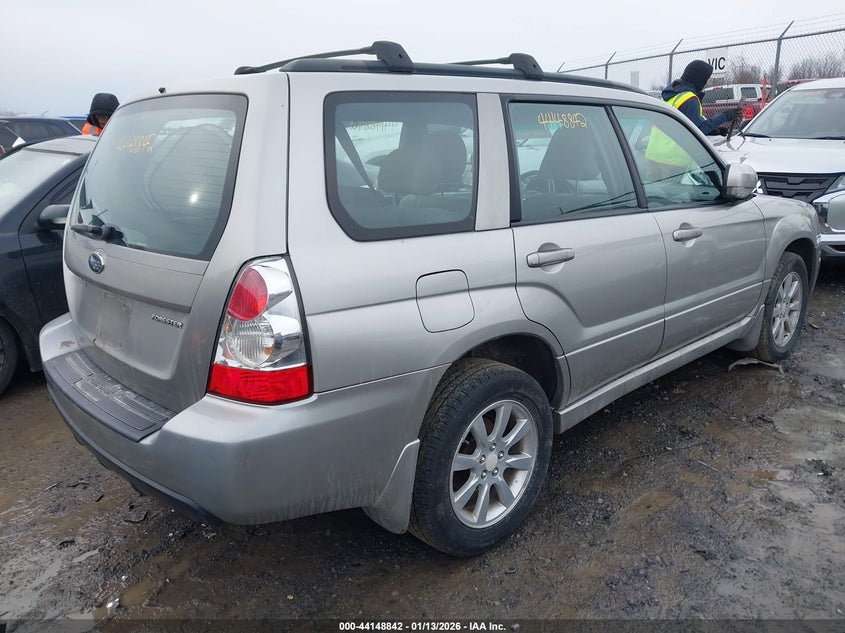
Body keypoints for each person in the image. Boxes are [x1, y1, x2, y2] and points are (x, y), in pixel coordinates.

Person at [661, 60, 741, 135]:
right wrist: (725, 116)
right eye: (705, 79)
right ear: (699, 79)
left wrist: (714, 131)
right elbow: (697, 131)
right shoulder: (690, 99)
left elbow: (687, 125)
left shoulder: (672, 93)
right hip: (675, 145)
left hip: (660, 142)